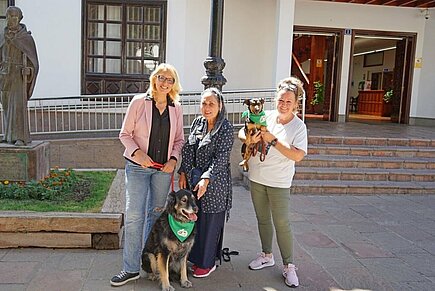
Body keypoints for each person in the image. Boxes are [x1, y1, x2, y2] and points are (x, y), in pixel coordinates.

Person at [111, 63, 185, 287]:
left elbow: (179, 140)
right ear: (154, 79)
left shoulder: (176, 107)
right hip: (137, 168)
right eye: (161, 77)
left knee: (155, 216)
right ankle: (130, 268)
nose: (164, 83)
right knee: (134, 216)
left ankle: (147, 263)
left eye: (169, 79)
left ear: (174, 84)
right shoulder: (139, 102)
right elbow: (124, 134)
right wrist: (138, 154)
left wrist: (173, 160)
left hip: (163, 171)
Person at [239, 76, 307, 288]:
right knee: (262, 219)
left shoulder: (299, 126)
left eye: (288, 101)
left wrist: (273, 141)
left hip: (279, 181)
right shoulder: (265, 116)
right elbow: (243, 131)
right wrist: (250, 138)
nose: (283, 105)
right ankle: (267, 255)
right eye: (280, 100)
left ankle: (289, 265)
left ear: (296, 103)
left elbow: (297, 156)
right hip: (257, 178)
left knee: (282, 223)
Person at [178, 87, 234, 278]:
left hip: (215, 183)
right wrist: (183, 171)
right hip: (194, 180)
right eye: (204, 103)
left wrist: (206, 178)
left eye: (211, 103)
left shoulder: (225, 128)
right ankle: (195, 257)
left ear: (220, 106)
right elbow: (187, 149)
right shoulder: (198, 123)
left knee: (210, 223)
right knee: (196, 221)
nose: (207, 107)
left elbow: (221, 158)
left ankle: (207, 262)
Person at [0, 6, 39, 146]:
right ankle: (8, 135)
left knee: (18, 107)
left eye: (14, 17)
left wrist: (28, 70)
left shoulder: (26, 38)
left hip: (18, 76)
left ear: (20, 19)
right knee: (6, 106)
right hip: (5, 76)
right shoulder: (2, 37)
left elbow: (34, 62)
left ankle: (20, 138)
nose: (11, 20)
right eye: (8, 17)